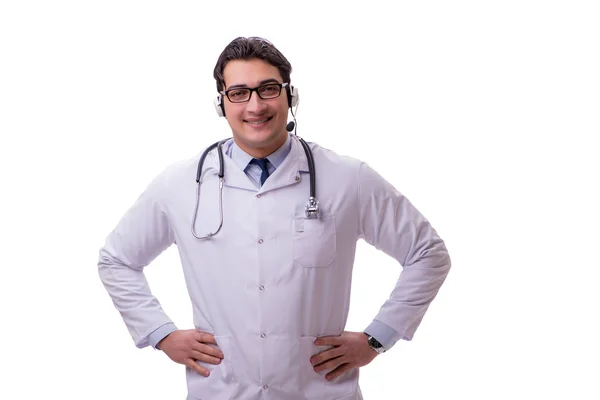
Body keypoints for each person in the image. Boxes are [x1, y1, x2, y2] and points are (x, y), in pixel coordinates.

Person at [98, 36, 451, 400]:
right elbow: (117, 260)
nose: (255, 105)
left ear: (290, 95)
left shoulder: (348, 179)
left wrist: (378, 337)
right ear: (222, 103)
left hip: (319, 391)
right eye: (238, 93)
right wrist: (160, 333)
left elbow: (428, 254)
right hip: (221, 390)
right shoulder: (180, 184)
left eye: (268, 89)